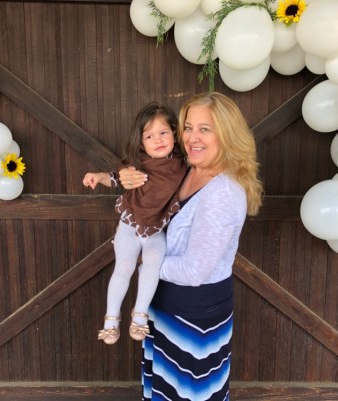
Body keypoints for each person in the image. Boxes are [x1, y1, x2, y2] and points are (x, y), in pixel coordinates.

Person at [119, 92, 263, 401]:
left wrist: (143, 261)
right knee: (163, 389)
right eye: (187, 127)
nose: (192, 138)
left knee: (190, 393)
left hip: (194, 316)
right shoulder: (186, 167)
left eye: (205, 129)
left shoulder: (224, 193)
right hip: (164, 307)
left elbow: (194, 271)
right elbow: (146, 175)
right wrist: (125, 175)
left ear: (226, 135)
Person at [82, 102, 187, 345]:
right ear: (141, 143)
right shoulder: (137, 164)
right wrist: (98, 176)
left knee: (153, 263)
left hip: (156, 227)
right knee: (124, 266)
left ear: (174, 133)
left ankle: (140, 315)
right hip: (130, 224)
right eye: (149, 136)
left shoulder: (182, 164)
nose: (158, 140)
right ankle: (111, 320)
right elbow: (115, 179)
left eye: (163, 132)